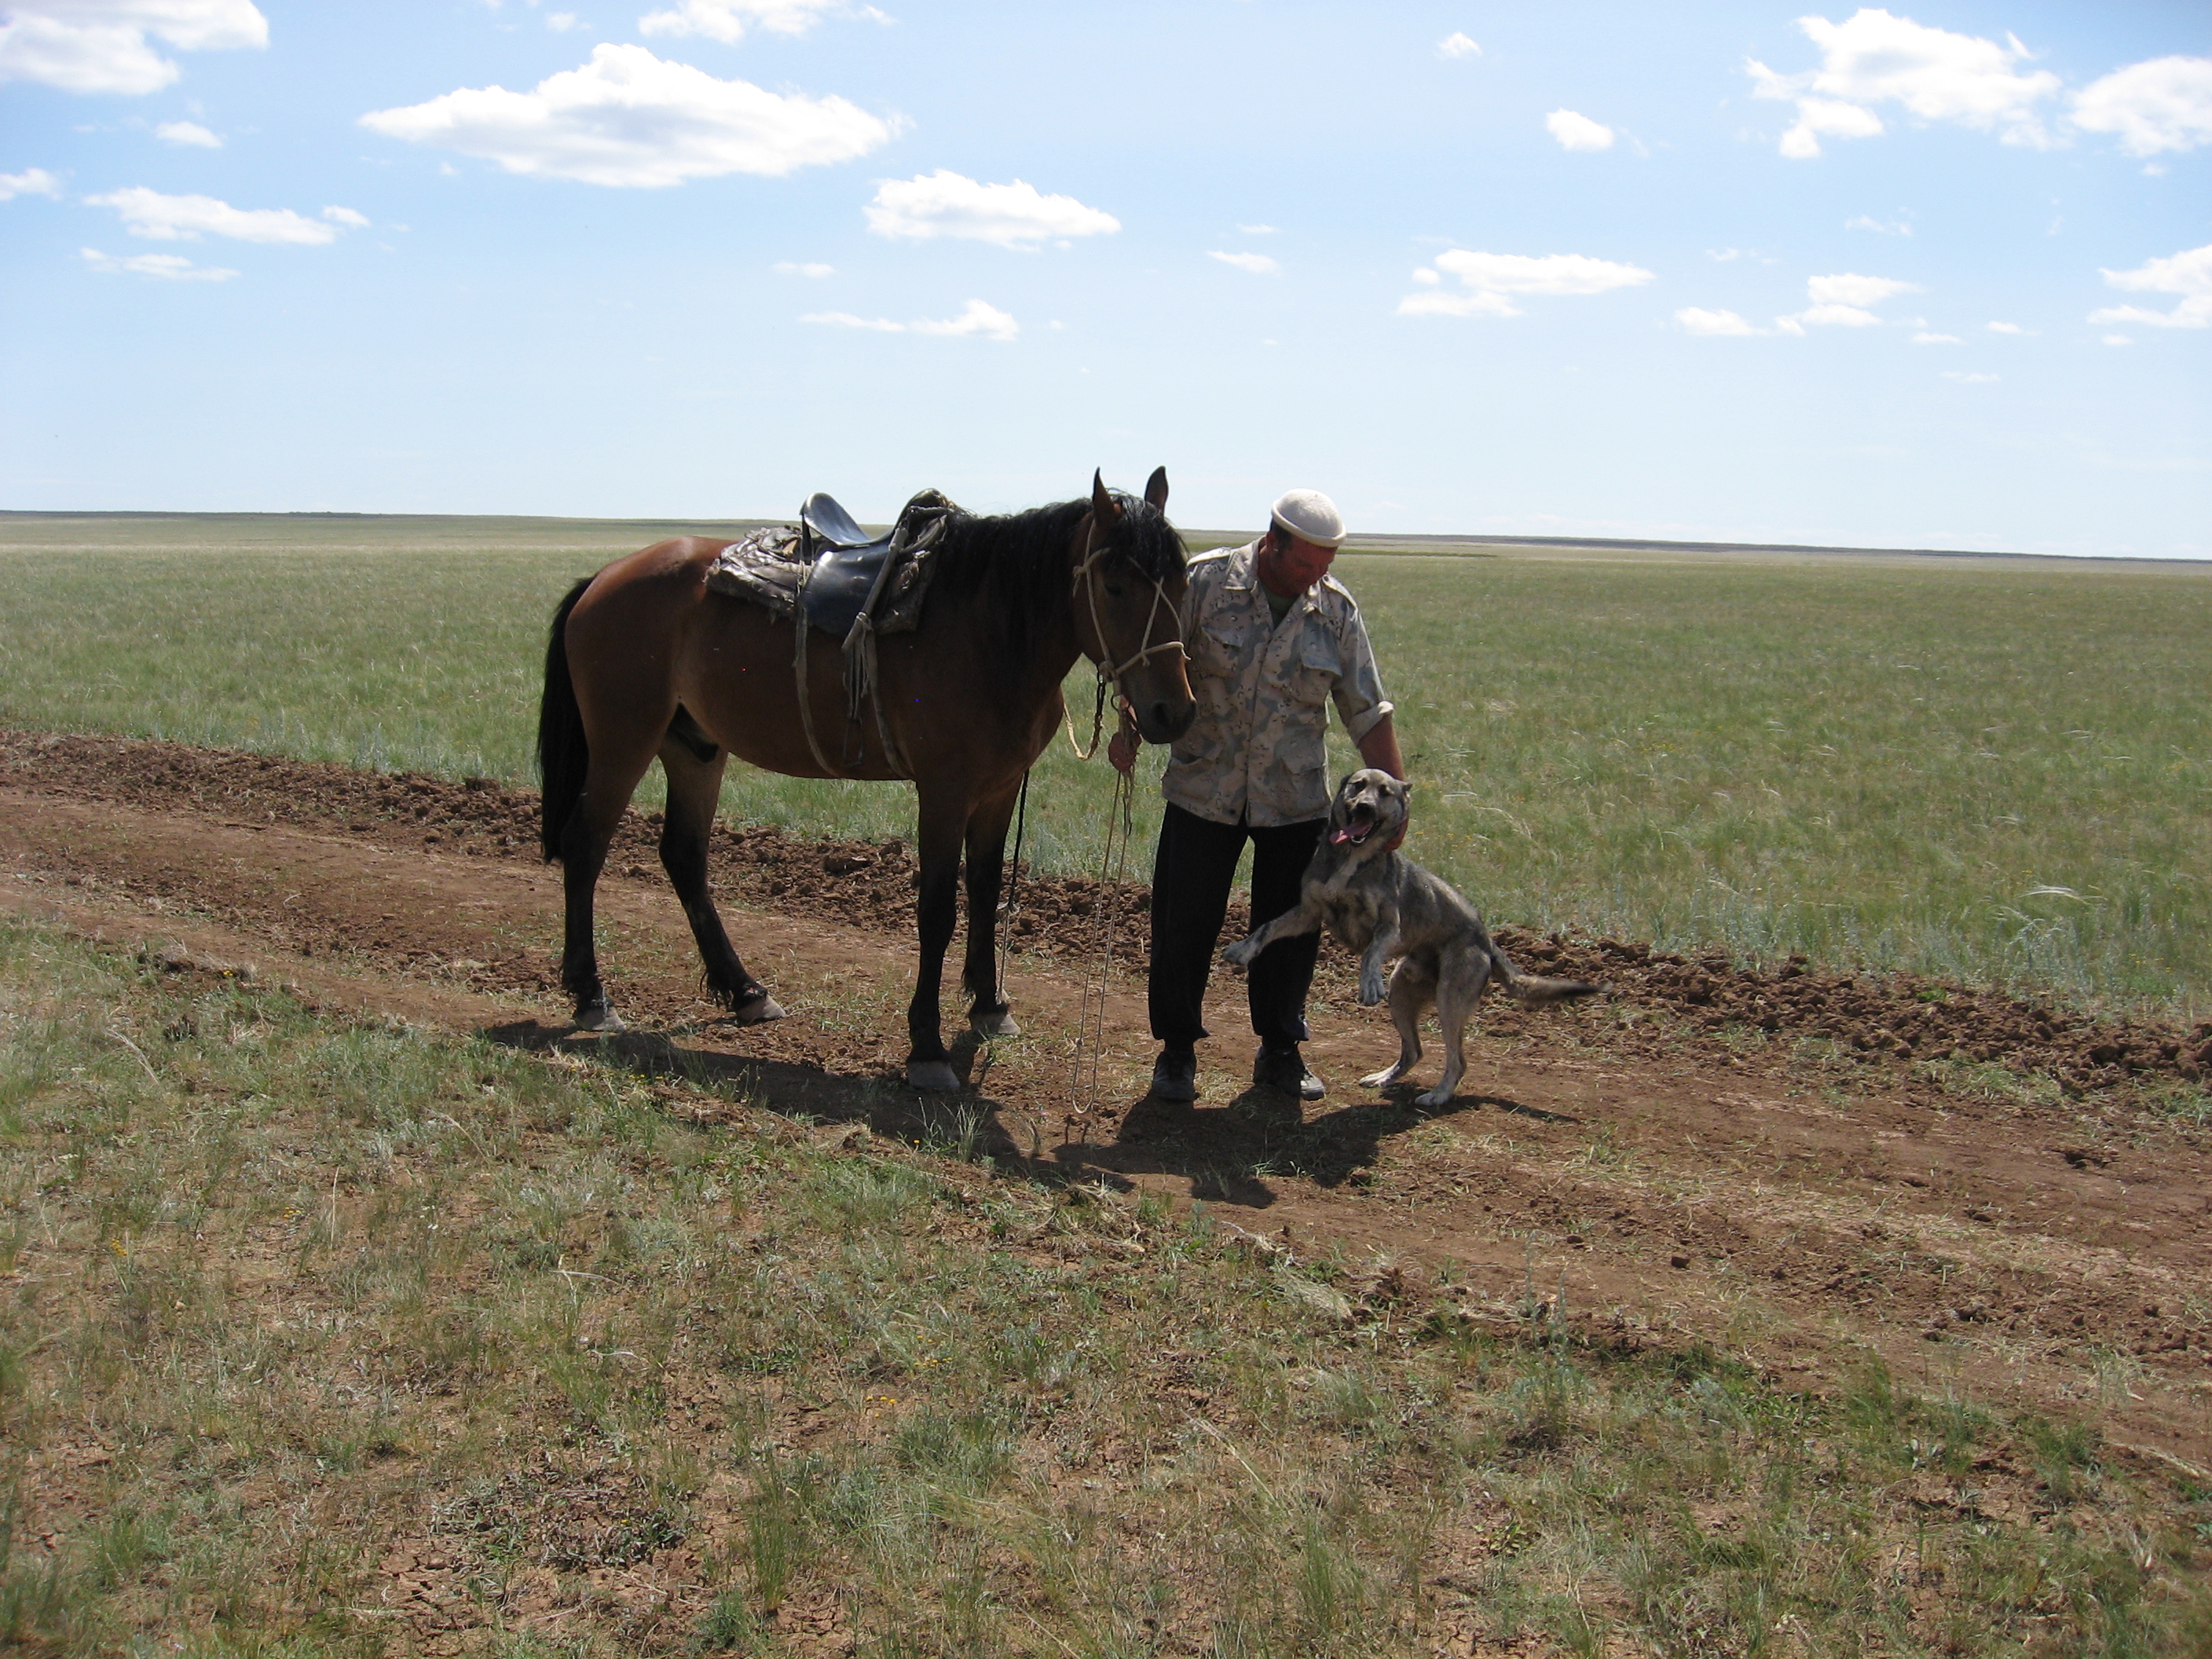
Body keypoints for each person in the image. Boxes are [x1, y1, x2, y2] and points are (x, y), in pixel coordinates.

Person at [1109, 488, 1404, 1104]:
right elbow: (1153, 661)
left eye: (1326, 566)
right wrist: (1129, 725)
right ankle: (1177, 1053)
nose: (1315, 577)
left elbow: (1367, 710)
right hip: (1203, 787)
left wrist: (1396, 802)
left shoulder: (1336, 613)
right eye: (1305, 564)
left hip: (1293, 800)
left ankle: (1280, 1051)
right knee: (1183, 923)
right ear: (1271, 544)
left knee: (1291, 929)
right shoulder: (1204, 585)